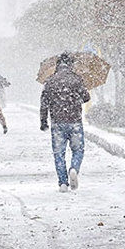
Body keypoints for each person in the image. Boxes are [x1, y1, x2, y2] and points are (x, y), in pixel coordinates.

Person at [40, 52, 90, 192]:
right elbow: (86, 97)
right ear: (70, 64)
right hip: (74, 120)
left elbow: (44, 103)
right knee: (78, 150)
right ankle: (74, 168)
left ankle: (62, 183)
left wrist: (43, 121)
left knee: (58, 153)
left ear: (58, 65)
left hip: (57, 122)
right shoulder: (76, 79)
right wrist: (77, 93)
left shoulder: (50, 81)